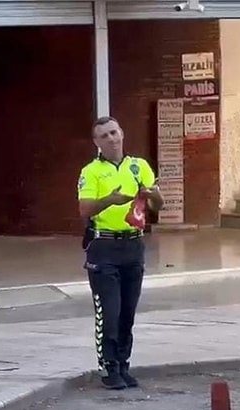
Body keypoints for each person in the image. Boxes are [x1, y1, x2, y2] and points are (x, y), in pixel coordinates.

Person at [77, 116, 164, 389]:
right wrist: (109, 200)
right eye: (104, 136)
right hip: (104, 248)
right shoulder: (90, 172)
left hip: (133, 245)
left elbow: (159, 205)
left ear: (122, 133)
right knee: (109, 313)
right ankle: (109, 367)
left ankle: (124, 363)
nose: (111, 139)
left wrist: (151, 196)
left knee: (128, 313)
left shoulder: (139, 167)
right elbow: (85, 210)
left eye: (114, 133)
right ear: (97, 143)